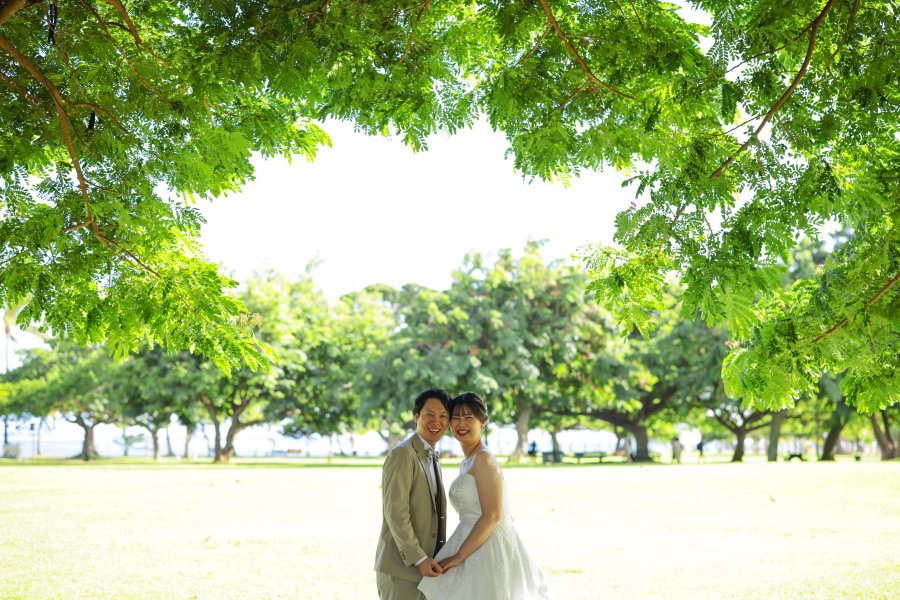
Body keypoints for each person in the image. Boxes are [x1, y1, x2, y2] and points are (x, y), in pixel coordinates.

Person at [418, 392, 551, 600]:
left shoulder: (484, 459)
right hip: (469, 538)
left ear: (482, 422)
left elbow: (492, 515)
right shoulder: (467, 461)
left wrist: (459, 556)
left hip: (487, 546)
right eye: (456, 417)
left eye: (468, 417)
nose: (461, 423)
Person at [375, 388, 452, 600]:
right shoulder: (402, 454)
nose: (436, 421)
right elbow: (396, 512)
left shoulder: (432, 456)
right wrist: (419, 559)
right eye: (430, 414)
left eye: (443, 416)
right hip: (402, 571)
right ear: (416, 416)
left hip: (426, 571)